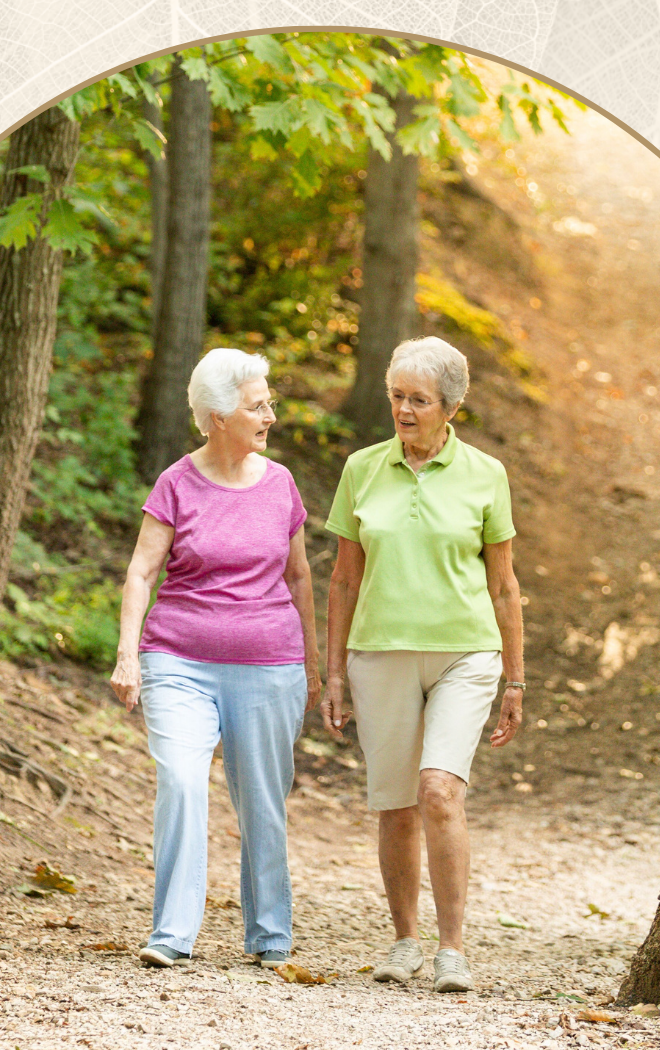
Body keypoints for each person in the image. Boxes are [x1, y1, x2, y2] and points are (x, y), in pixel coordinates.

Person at [321, 335, 524, 994]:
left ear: (450, 406)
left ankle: (453, 949)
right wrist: (331, 672)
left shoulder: (486, 473)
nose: (404, 411)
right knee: (397, 805)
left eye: (418, 400)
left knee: (439, 788)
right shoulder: (362, 469)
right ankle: (405, 939)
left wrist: (515, 678)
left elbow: (504, 586)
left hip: (466, 651)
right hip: (379, 653)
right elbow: (344, 582)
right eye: (396, 398)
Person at [110, 348, 321, 968]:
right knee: (179, 778)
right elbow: (141, 571)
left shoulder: (280, 483)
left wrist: (312, 663)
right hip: (178, 658)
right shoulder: (177, 482)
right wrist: (128, 655)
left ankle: (270, 933)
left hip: (268, 662)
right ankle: (172, 933)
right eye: (258, 406)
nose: (270, 416)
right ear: (217, 416)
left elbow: (301, 577)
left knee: (262, 797)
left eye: (269, 404)